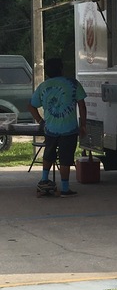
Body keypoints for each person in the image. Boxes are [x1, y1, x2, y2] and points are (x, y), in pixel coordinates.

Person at [28, 57, 87, 197]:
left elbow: (31, 106)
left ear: (47, 71)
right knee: (66, 158)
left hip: (50, 129)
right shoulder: (73, 83)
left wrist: (40, 120)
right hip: (69, 129)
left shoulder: (43, 86)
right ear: (61, 68)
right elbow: (82, 105)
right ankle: (65, 189)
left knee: (48, 155)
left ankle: (44, 181)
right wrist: (83, 124)